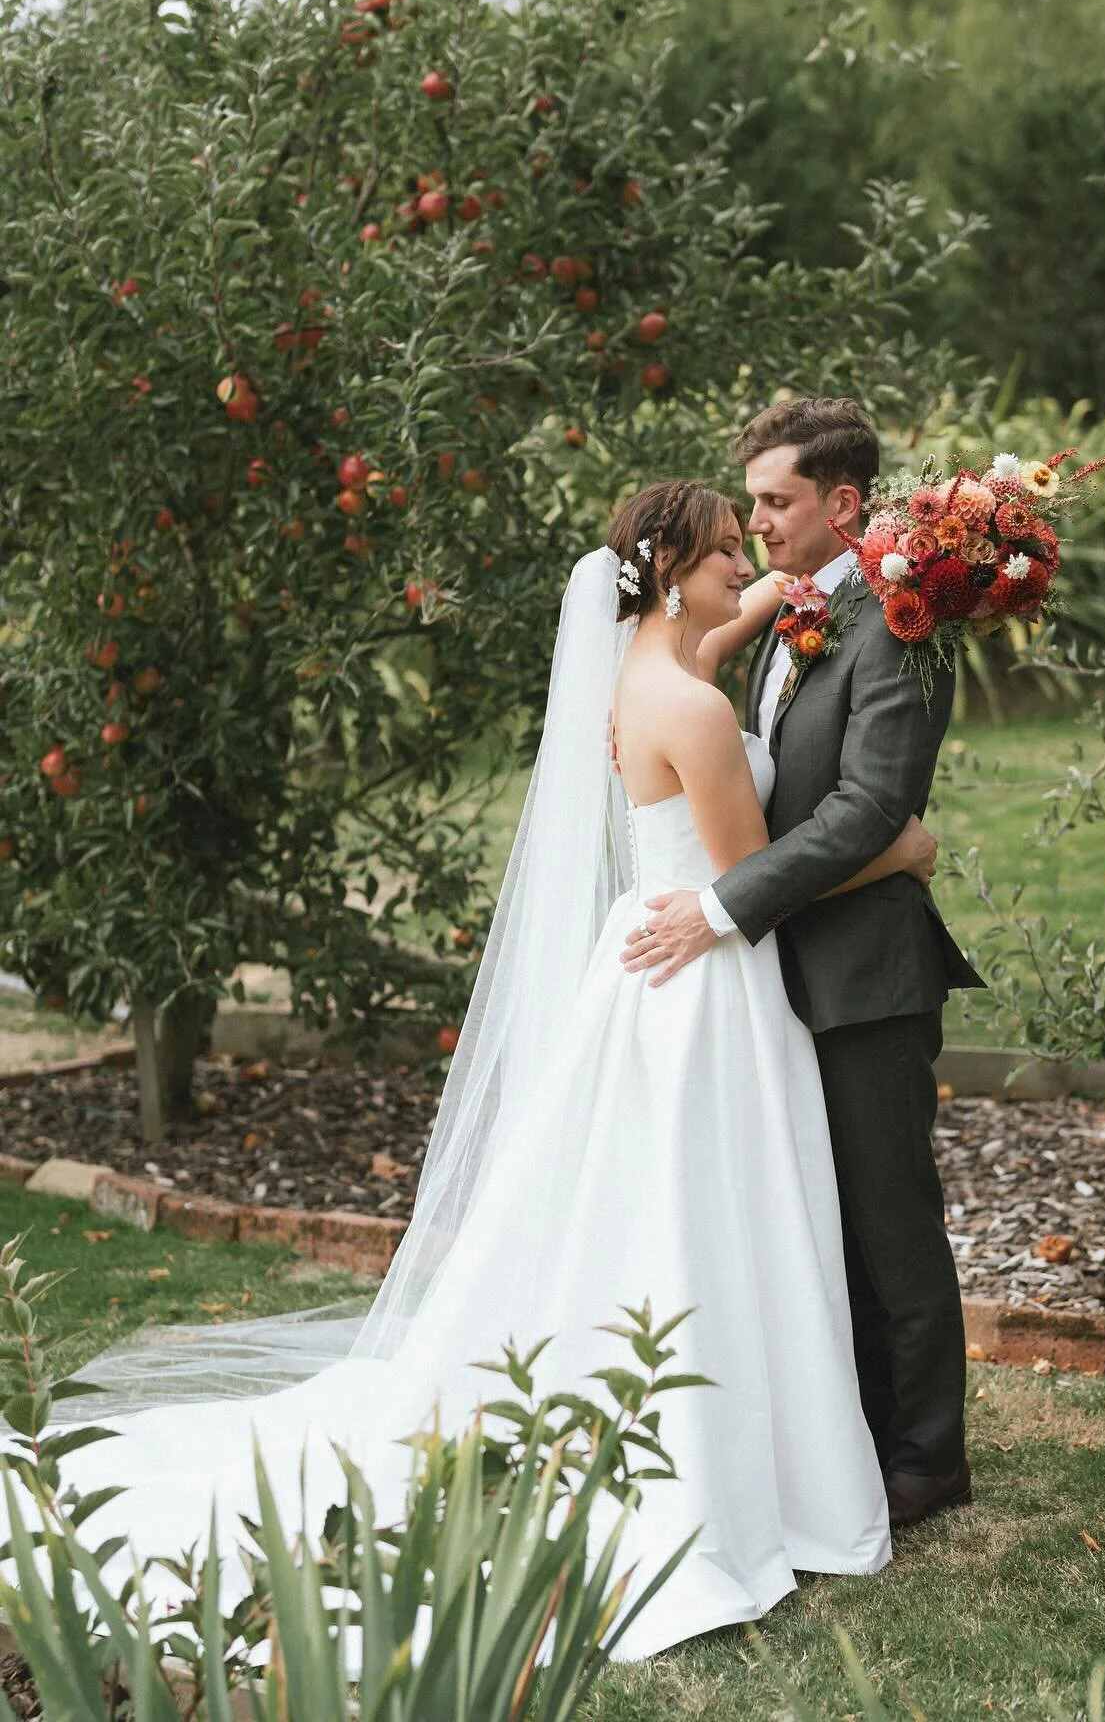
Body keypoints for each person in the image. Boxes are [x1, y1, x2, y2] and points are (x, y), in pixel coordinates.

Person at [24, 479, 942, 1660]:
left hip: (653, 968)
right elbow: (745, 879)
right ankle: (737, 1459)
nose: (744, 566)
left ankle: (730, 1418)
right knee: (719, 1214)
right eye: (724, 551)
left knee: (673, 1214)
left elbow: (744, 609)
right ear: (671, 573)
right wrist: (898, 851)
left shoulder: (654, 666)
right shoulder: (698, 711)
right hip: (707, 978)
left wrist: (829, 577)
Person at [622, 399, 985, 1527]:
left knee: (889, 1224)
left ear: (843, 502)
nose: (761, 529)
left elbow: (872, 805)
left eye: (776, 504)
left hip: (867, 975)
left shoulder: (900, 623)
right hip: (785, 971)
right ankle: (855, 1437)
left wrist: (722, 904)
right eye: (753, 510)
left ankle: (927, 1460)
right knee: (821, 1225)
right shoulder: (795, 612)